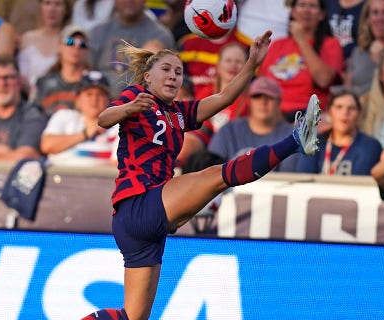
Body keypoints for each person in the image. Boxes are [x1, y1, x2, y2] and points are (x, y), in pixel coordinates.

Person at [81, 30, 322, 320]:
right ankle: (294, 141)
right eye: (166, 69)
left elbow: (225, 96)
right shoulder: (137, 96)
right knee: (216, 175)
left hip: (145, 222)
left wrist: (252, 64)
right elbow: (103, 119)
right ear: (147, 77)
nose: (173, 76)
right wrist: (128, 108)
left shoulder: (180, 113)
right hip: (139, 203)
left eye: (179, 72)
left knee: (132, 317)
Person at [258, 0, 344, 122]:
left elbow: (324, 80)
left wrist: (302, 40)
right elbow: (262, 84)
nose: (306, 10)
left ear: (322, 14)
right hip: (273, 116)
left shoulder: (330, 45)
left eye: (312, 6)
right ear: (292, 11)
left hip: (309, 117)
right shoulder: (277, 45)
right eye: (302, 5)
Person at [208, 76, 299, 172]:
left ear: (279, 102)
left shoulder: (291, 136)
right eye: (257, 96)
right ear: (249, 101)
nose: (263, 102)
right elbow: (212, 171)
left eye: (270, 97)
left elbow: (291, 175)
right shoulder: (228, 131)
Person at [88, 0, 175, 98]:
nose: (129, 1)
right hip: (100, 102)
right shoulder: (97, 32)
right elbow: (86, 70)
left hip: (140, 103)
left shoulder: (159, 35)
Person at [295, 88, 381, 175]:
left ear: (359, 114)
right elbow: (304, 179)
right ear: (329, 112)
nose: (345, 112)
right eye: (339, 107)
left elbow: (359, 182)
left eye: (351, 108)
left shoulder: (370, 146)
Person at [41, 70, 117, 166]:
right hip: (58, 177)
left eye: (100, 94)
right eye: (89, 94)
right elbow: (47, 145)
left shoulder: (116, 128)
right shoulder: (64, 116)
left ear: (108, 100)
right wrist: (85, 134)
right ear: (78, 99)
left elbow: (117, 166)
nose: (94, 99)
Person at [17, 0, 72, 96]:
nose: (52, 9)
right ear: (40, 7)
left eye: (58, 4)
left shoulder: (69, 40)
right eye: (47, 3)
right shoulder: (27, 38)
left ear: (66, 10)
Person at [33, 25, 91, 114]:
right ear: (60, 46)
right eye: (70, 42)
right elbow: (33, 113)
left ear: (88, 51)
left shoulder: (94, 85)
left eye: (82, 44)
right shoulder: (43, 82)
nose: (76, 47)